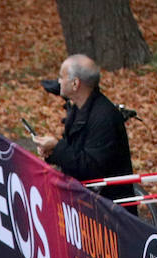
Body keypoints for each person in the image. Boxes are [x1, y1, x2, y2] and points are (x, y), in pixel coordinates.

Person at [31, 54, 135, 208]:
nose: (58, 81)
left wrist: (57, 147)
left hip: (108, 209)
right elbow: (73, 152)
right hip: (84, 202)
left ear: (75, 84)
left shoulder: (104, 117)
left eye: (61, 77)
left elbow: (89, 167)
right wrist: (51, 152)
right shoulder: (77, 109)